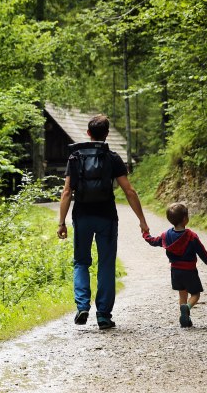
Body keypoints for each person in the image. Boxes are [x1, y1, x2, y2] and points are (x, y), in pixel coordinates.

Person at [57, 114, 149, 330]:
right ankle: (104, 316)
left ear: (88, 133)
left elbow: (67, 192)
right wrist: (142, 221)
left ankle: (82, 306)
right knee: (106, 265)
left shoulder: (75, 157)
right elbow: (129, 191)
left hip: (82, 216)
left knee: (81, 262)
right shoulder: (112, 157)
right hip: (107, 216)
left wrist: (61, 222)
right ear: (106, 134)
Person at [142, 202, 207, 328]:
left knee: (182, 293)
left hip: (175, 271)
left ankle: (185, 318)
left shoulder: (165, 236)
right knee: (195, 294)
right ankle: (187, 308)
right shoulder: (191, 236)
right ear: (185, 219)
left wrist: (145, 234)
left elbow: (153, 241)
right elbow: (201, 251)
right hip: (190, 271)